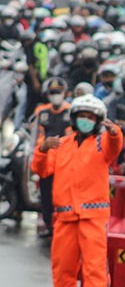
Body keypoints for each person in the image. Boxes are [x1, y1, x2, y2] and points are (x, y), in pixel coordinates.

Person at [31, 95, 123, 287]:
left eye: (90, 117)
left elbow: (115, 146)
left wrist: (114, 131)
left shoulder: (102, 144)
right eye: (82, 116)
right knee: (63, 272)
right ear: (73, 119)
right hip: (65, 218)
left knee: (95, 272)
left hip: (93, 218)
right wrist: (41, 150)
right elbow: (41, 169)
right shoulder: (61, 144)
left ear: (98, 121)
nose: (85, 120)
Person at [32, 77, 71, 237]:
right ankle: (49, 225)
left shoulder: (71, 111)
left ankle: (61, 225)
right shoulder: (42, 112)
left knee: (62, 196)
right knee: (46, 195)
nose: (55, 95)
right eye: (52, 92)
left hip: (64, 161)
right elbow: (35, 135)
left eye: (58, 92)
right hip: (45, 159)